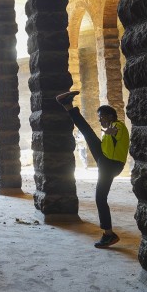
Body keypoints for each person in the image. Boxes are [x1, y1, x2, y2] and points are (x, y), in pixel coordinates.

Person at [55, 90, 129, 248]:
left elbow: (116, 131)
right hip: (105, 159)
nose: (100, 120)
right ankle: (68, 105)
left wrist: (110, 131)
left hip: (111, 164)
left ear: (110, 116)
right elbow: (109, 136)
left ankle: (109, 235)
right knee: (87, 132)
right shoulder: (110, 129)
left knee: (100, 198)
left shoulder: (117, 125)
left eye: (101, 117)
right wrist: (107, 133)